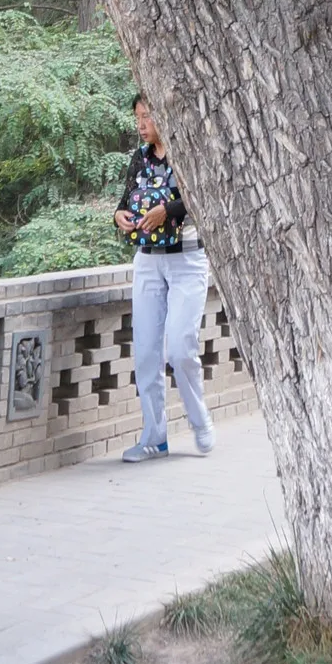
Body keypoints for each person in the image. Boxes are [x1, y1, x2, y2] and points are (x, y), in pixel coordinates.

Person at [113, 91, 216, 461]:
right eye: (138, 117)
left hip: (187, 259)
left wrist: (166, 210)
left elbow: (202, 197)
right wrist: (119, 217)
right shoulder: (138, 159)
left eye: (148, 117)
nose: (141, 125)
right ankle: (154, 436)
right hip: (147, 260)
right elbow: (127, 201)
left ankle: (199, 418)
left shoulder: (187, 152)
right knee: (146, 352)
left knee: (180, 346)